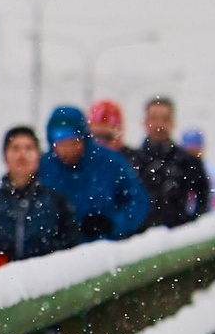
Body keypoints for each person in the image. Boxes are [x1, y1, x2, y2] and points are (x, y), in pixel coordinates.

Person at [36, 103, 150, 241]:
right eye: (59, 141)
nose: (66, 148)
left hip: (102, 250)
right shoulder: (43, 167)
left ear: (83, 138)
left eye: (72, 140)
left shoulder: (109, 162)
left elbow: (137, 201)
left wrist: (112, 223)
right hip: (58, 253)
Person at [0, 125, 79, 262]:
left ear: (38, 155)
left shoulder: (56, 203)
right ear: (5, 155)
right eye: (15, 148)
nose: (22, 155)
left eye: (29, 148)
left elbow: (71, 250)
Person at [128, 95, 211, 229]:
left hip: (177, 238)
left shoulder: (187, 162)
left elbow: (203, 196)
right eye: (153, 119)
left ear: (172, 123)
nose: (159, 125)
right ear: (145, 122)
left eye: (165, 119)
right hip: (139, 240)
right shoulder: (131, 161)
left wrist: (191, 224)